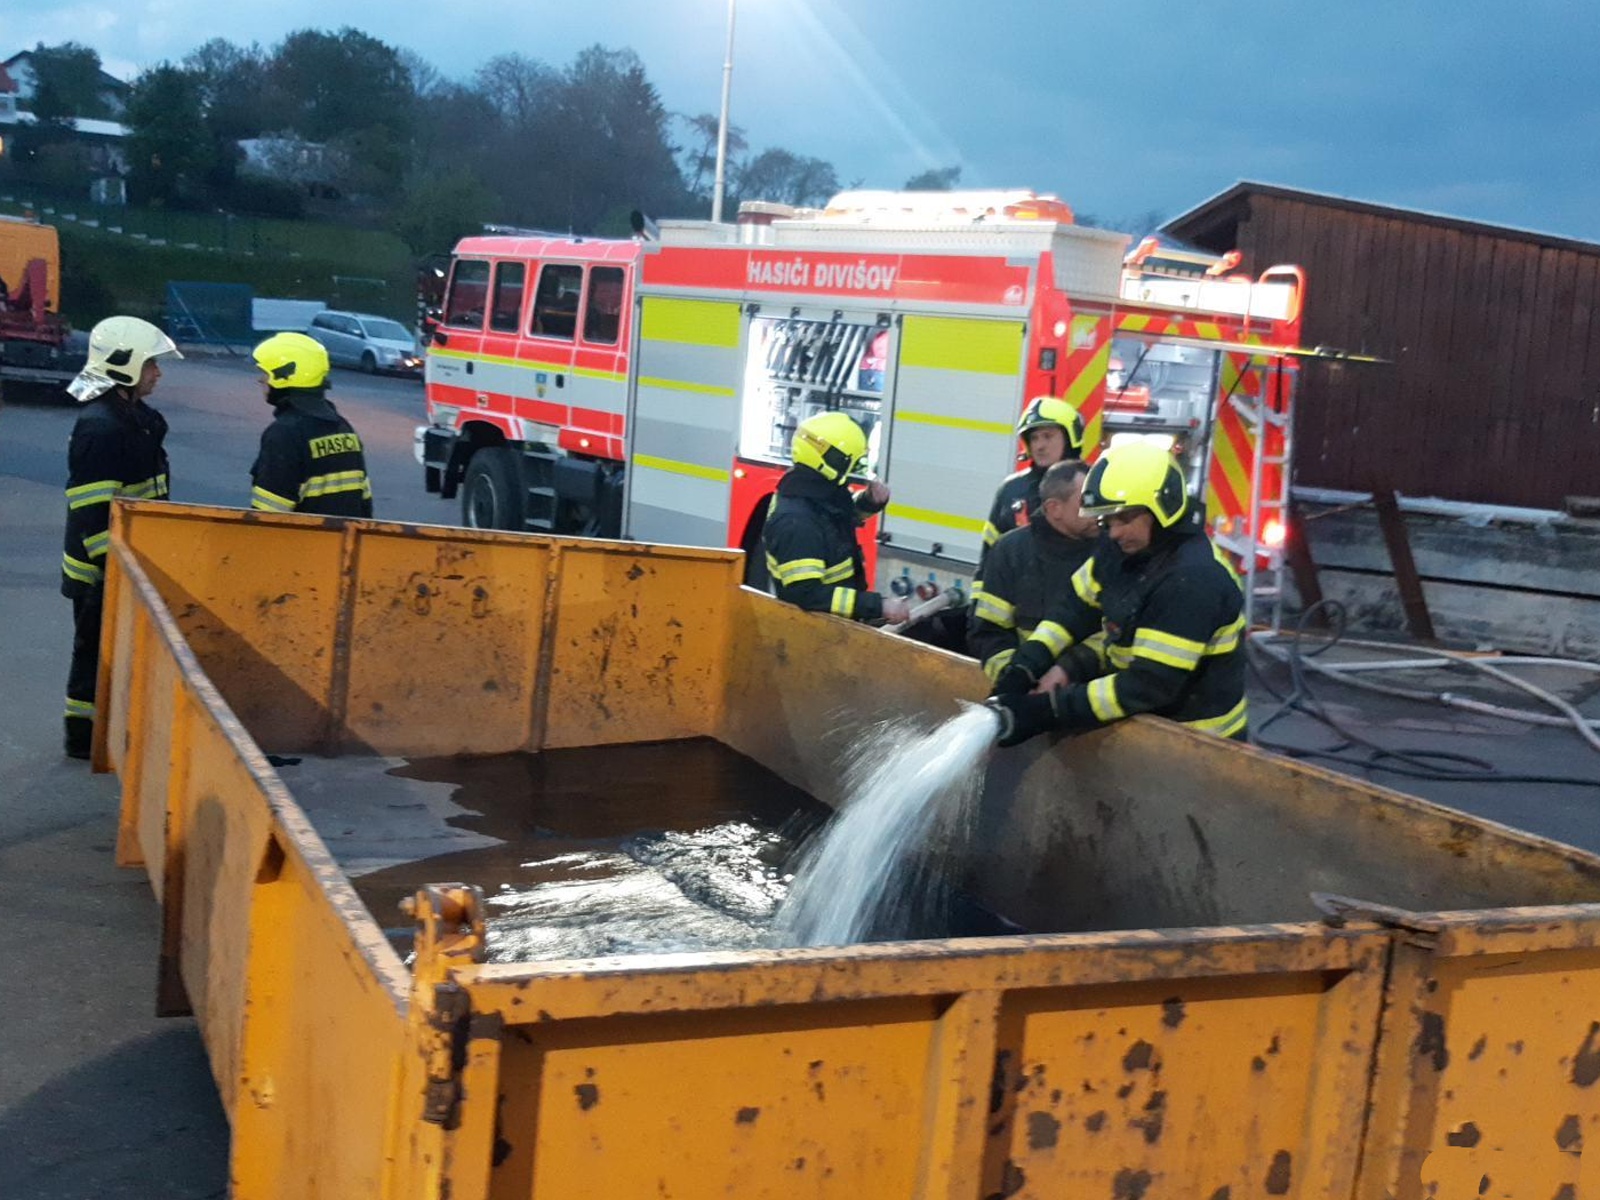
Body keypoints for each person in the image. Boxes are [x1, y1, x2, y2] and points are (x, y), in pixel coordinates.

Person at [985, 439, 1247, 747]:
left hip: (1199, 746)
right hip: (1145, 728)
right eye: (1107, 520)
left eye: (1123, 518)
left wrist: (1049, 710)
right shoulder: (1123, 549)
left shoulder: (1193, 580)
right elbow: (1073, 610)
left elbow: (1147, 685)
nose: (1113, 532)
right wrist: (1026, 665)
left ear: (1163, 506)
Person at [60, 316, 183, 759]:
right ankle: (81, 737)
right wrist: (110, 566)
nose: (158, 373)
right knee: (94, 654)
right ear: (124, 365)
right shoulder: (100, 427)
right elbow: (92, 511)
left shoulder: (139, 420)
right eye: (151, 364)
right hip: (101, 565)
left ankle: (110, 727)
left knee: (119, 653)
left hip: (128, 559)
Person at [762, 411, 910, 624]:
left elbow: (836, 520)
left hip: (833, 626)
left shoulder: (813, 491)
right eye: (852, 463)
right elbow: (805, 594)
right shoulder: (796, 521)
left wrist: (869, 501)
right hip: (814, 632)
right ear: (834, 460)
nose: (853, 471)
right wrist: (878, 605)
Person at [968, 460, 1099, 683]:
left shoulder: (1110, 552)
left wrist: (1069, 672)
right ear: (1054, 508)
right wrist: (1014, 677)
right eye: (1085, 502)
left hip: (1087, 691)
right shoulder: (1011, 551)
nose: (1096, 510)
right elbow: (989, 632)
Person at [249, 332, 373, 518]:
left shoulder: (284, 434)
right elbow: (364, 506)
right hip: (342, 544)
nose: (261, 379)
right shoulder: (343, 428)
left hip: (300, 545)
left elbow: (268, 516)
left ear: (285, 376)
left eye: (266, 373)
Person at [978, 395, 1086, 577]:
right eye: (1034, 438)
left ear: (1070, 438)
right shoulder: (1011, 490)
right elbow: (989, 559)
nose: (1039, 446)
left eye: (1047, 436)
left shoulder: (1090, 487)